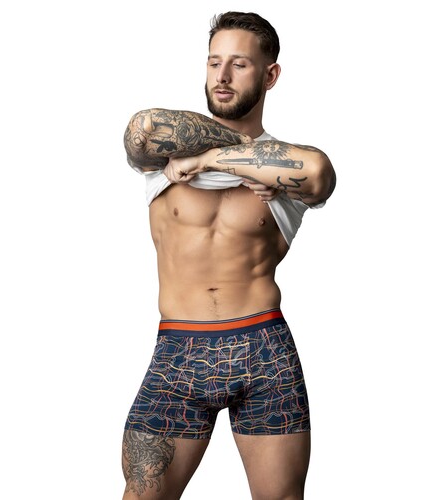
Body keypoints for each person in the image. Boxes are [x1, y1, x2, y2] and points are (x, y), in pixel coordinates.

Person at [121, 11, 336, 500]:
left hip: (263, 351)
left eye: (239, 64)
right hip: (178, 355)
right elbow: (141, 130)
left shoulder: (284, 164)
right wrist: (251, 159)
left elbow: (319, 175)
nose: (221, 76)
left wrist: (208, 160)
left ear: (270, 75)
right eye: (214, 62)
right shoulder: (166, 153)